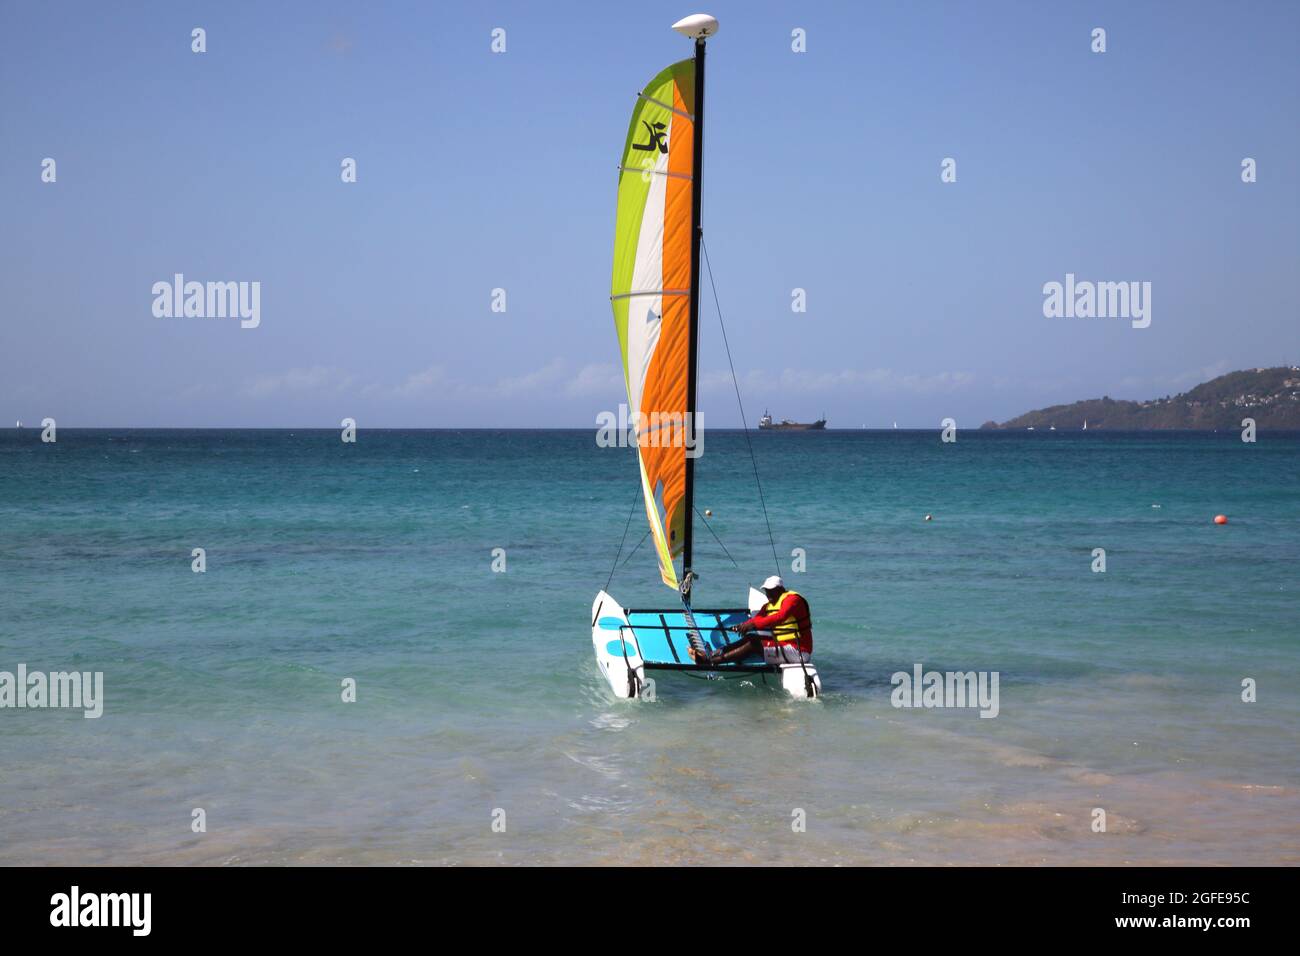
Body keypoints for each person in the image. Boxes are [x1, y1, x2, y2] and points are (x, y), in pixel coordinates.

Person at [689, 575, 813, 665]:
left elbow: (780, 617)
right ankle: (710, 655)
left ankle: (710, 662)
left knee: (753, 644)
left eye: (771, 591)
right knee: (750, 638)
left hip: (799, 651)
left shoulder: (793, 600)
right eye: (766, 591)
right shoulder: (769, 605)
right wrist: (743, 625)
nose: (768, 595)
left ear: (780, 590)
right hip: (783, 645)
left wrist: (752, 624)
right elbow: (758, 617)